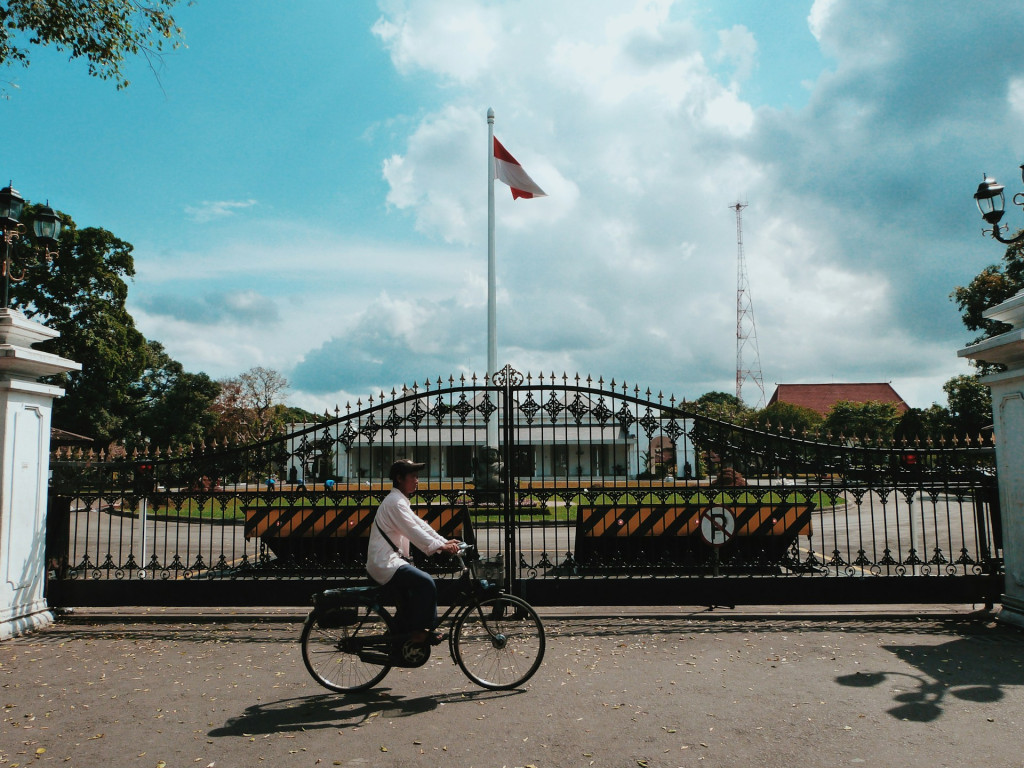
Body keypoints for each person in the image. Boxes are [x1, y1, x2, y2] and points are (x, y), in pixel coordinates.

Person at [366, 459, 460, 645]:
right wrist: (440, 547)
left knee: (410, 601)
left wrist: (444, 541)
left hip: (391, 562)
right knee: (425, 582)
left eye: (417, 477)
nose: (417, 480)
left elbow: (420, 526)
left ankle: (398, 636)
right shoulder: (395, 503)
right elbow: (413, 531)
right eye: (413, 476)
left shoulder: (400, 501)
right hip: (385, 563)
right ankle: (421, 632)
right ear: (399, 478)